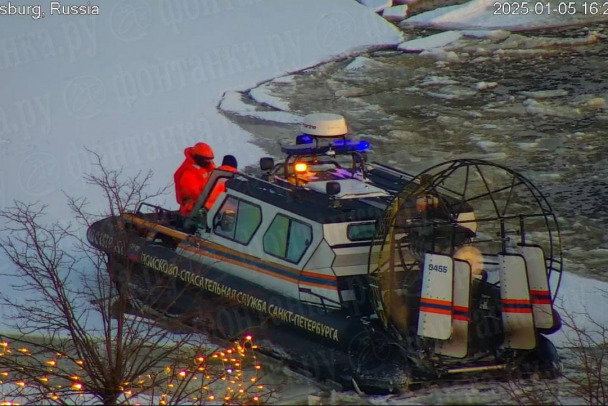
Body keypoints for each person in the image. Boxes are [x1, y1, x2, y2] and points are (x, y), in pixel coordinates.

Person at [174, 142, 216, 215]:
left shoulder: (208, 170)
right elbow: (198, 195)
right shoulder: (188, 175)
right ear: (199, 159)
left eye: (210, 160)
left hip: (207, 210)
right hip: (193, 213)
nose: (209, 163)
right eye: (207, 161)